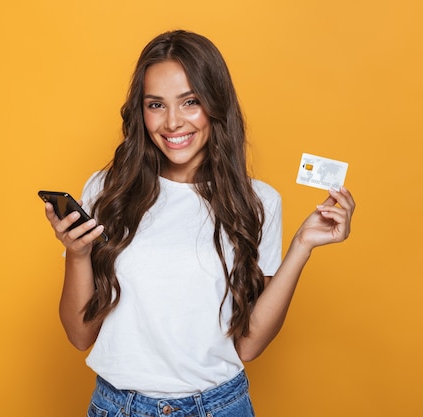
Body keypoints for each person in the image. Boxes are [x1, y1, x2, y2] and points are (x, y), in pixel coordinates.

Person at [43, 30, 355, 417]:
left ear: (215, 104)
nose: (173, 122)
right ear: (140, 112)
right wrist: (77, 255)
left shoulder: (258, 203)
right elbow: (79, 335)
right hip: (116, 406)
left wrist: (301, 247)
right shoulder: (107, 191)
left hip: (218, 407)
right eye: (156, 104)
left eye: (190, 102)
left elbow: (249, 345)